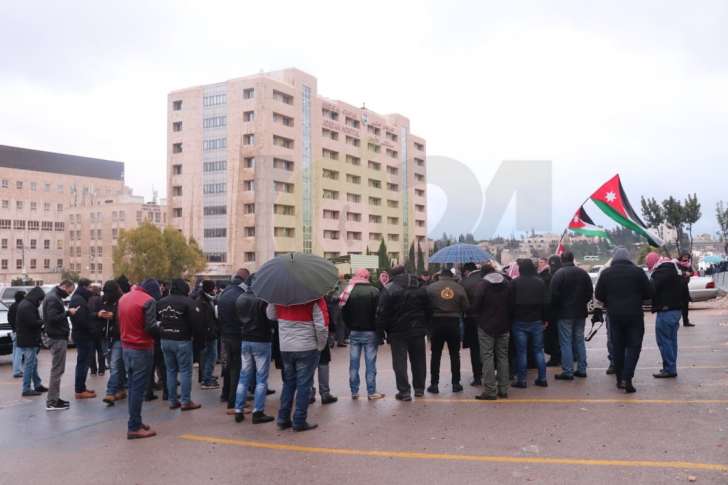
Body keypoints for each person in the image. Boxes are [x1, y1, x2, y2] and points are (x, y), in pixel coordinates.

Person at [595, 248, 653, 393]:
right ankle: (628, 377)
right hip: (634, 315)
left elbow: (599, 295)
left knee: (617, 347)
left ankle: (620, 378)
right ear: (629, 258)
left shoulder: (606, 273)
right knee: (634, 346)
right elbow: (648, 293)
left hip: (614, 315)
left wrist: (610, 300)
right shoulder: (638, 272)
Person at [268, 296, 329, 432]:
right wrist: (321, 345)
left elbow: (270, 315)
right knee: (304, 385)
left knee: (289, 383)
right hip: (307, 346)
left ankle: (283, 418)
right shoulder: (315, 297)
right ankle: (299, 420)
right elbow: (321, 326)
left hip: (286, 346)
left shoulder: (279, 294)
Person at [376, 266, 430, 401]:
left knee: (399, 362)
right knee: (419, 360)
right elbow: (429, 308)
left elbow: (382, 312)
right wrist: (425, 326)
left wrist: (381, 332)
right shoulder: (420, 286)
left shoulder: (390, 288)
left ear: (392, 275)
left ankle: (404, 391)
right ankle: (419, 389)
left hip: (397, 331)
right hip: (418, 330)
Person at [118, 279, 160, 439]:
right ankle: (134, 426)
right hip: (141, 348)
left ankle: (136, 421)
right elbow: (150, 327)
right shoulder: (148, 301)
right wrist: (161, 330)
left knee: (132, 387)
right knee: (137, 389)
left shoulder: (124, 298)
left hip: (126, 347)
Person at [233, 281, 275, 424]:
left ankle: (238, 410)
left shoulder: (240, 298)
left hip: (245, 339)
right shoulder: (263, 300)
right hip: (261, 340)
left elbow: (238, 318)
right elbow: (271, 319)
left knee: (243, 376)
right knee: (261, 379)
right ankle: (258, 411)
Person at [340, 268, 385, 400]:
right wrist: (380, 332)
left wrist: (349, 327)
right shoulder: (374, 291)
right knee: (370, 363)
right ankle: (371, 392)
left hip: (354, 332)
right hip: (371, 332)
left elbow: (344, 313)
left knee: (354, 363)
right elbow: (379, 314)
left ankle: (354, 391)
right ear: (367, 277)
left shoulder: (348, 291)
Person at [158, 278, 202, 411]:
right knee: (185, 371)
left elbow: (156, 321)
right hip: (182, 340)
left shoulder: (160, 302)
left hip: (165, 339)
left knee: (170, 370)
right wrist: (198, 339)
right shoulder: (189, 302)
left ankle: (172, 401)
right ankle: (185, 401)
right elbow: (196, 323)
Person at [471, 264, 513, 400]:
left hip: (486, 326)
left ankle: (490, 390)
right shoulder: (507, 283)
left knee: (487, 357)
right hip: (504, 325)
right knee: (503, 356)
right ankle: (503, 389)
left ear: (483, 274)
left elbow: (476, 305)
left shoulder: (482, 284)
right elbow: (512, 304)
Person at [550, 251, 593, 380]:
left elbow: (553, 294)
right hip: (580, 312)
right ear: (573, 259)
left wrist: (558, 307)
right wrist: (581, 303)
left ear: (562, 260)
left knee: (565, 343)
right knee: (579, 341)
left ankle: (568, 371)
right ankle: (582, 369)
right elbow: (589, 292)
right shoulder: (583, 273)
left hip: (564, 314)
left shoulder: (559, 274)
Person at [426, 268, 469, 394]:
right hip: (453, 323)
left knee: (436, 354)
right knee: (454, 354)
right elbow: (466, 306)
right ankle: (456, 384)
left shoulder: (431, 287)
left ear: (440, 276)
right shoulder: (459, 287)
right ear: (451, 276)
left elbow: (425, 305)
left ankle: (434, 384)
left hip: (436, 323)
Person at [646, 252, 689, 379]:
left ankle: (669, 369)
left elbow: (651, 290)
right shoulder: (674, 269)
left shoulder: (661, 272)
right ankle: (671, 367)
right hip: (676, 310)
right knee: (671, 340)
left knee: (664, 341)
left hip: (666, 311)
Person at [510, 259, 548, 389]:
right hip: (537, 320)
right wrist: (545, 319)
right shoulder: (540, 282)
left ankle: (522, 380)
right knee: (538, 350)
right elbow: (545, 303)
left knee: (522, 352)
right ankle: (542, 378)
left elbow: (510, 303)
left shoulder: (515, 283)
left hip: (519, 320)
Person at [42, 280, 77, 410]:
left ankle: (54, 398)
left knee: (58, 370)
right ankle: (52, 401)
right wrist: (68, 313)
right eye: (69, 292)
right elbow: (52, 318)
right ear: (64, 287)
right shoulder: (53, 298)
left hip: (57, 336)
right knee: (57, 370)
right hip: (56, 337)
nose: (68, 295)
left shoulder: (54, 296)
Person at [218, 269, 250, 413]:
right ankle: (234, 401)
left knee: (227, 366)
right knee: (237, 369)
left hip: (225, 336)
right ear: (245, 279)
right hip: (237, 336)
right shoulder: (242, 295)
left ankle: (225, 394)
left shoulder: (224, 293)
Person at [94, 280, 126, 405]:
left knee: (114, 364)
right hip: (104, 336)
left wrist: (115, 316)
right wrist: (99, 314)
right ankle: (121, 388)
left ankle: (110, 392)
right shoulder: (100, 301)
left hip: (117, 337)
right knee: (116, 365)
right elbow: (90, 314)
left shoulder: (122, 301)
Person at [15, 287, 48, 397]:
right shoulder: (28, 306)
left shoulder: (26, 304)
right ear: (36, 297)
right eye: (40, 300)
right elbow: (32, 323)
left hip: (26, 338)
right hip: (29, 339)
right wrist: (44, 321)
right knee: (30, 364)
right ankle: (26, 388)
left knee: (33, 363)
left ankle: (37, 384)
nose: (40, 302)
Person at [69, 278, 97, 399]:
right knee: (83, 363)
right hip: (83, 336)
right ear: (84, 287)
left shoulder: (79, 298)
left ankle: (82, 387)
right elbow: (81, 320)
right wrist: (92, 329)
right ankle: (80, 390)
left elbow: (84, 316)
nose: (91, 290)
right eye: (90, 287)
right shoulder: (78, 299)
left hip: (82, 334)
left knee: (84, 362)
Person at [311, 292, 339, 405]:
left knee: (308, 367)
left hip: (305, 337)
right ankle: (325, 393)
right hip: (320, 335)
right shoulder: (320, 298)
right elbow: (326, 316)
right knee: (323, 363)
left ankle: (309, 393)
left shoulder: (298, 297)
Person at [461, 263, 483, 386]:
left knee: (475, 349)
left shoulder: (465, 283)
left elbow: (462, 304)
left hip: (471, 320)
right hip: (488, 319)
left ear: (466, 271)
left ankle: (477, 376)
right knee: (488, 348)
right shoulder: (486, 279)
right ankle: (489, 372)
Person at [196, 280, 220, 390]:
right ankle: (206, 379)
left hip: (208, 332)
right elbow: (204, 319)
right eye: (214, 287)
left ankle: (207, 375)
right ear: (210, 288)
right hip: (208, 333)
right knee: (211, 356)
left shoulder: (207, 299)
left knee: (207, 356)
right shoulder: (203, 301)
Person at [541, 256, 562, 367]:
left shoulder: (548, 276)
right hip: (562, 311)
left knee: (553, 337)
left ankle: (555, 357)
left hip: (553, 311)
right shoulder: (562, 274)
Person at [88, 284, 107, 377]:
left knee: (91, 351)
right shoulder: (101, 300)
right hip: (100, 328)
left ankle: (93, 369)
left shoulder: (87, 300)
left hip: (90, 329)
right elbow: (104, 313)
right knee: (100, 350)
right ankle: (101, 370)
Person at [8, 290, 26, 378]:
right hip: (20, 332)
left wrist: (13, 327)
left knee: (15, 352)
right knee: (19, 352)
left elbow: (9, 319)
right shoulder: (21, 306)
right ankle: (17, 371)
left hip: (14, 331)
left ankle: (16, 369)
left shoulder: (12, 306)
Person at [677, 253, 694, 327]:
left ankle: (686, 321)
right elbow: (676, 272)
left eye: (687, 257)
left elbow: (692, 273)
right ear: (681, 257)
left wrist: (689, 274)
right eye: (684, 256)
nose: (686, 258)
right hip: (678, 287)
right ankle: (676, 321)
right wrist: (684, 273)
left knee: (685, 305)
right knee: (678, 306)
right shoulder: (677, 264)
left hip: (685, 287)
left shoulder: (688, 265)